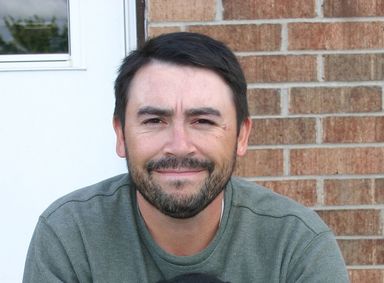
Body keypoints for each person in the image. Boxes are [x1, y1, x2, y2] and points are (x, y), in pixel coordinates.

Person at [23, 32, 349, 282]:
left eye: (202, 121)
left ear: (241, 135)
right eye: (154, 121)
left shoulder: (295, 246)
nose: (179, 146)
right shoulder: (70, 235)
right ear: (121, 134)